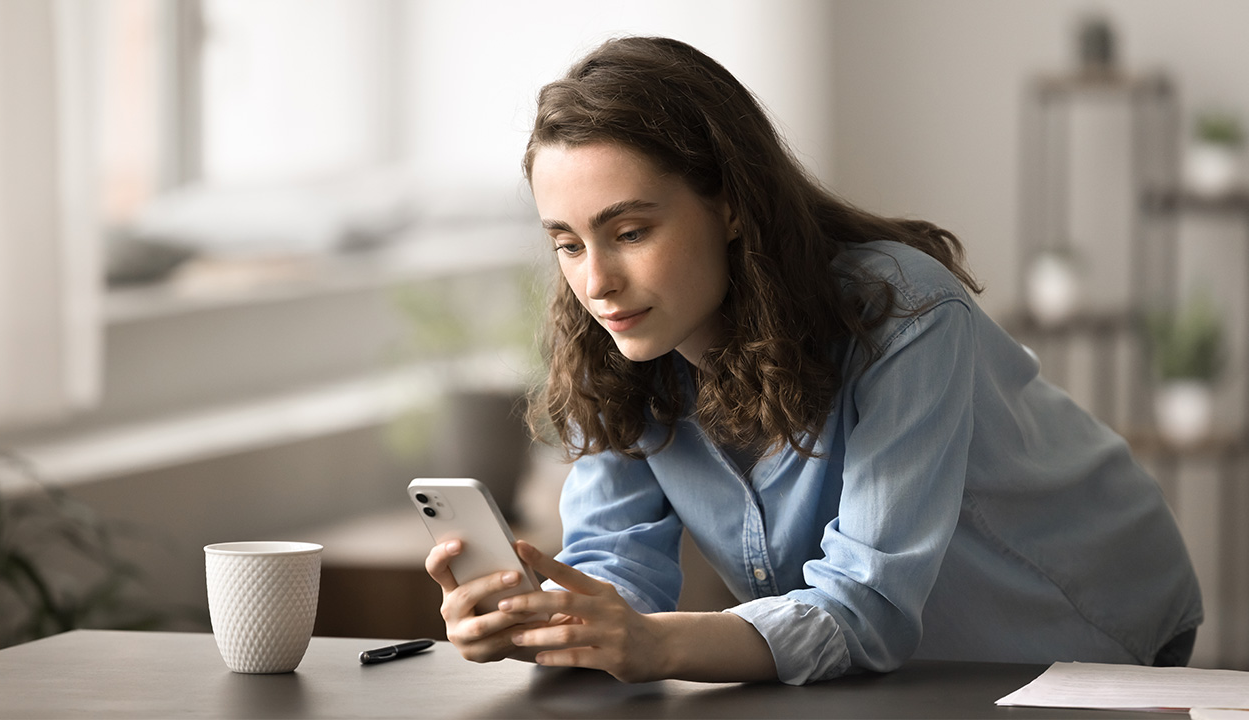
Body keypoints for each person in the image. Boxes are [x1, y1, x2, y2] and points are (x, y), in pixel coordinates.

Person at [423, 35, 1203, 685]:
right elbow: (618, 573)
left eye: (629, 232)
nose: (596, 282)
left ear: (730, 203)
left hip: (1088, 621)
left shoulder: (903, 312)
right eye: (567, 242)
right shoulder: (623, 342)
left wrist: (655, 643)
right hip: (910, 666)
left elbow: (867, 602)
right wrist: (550, 621)